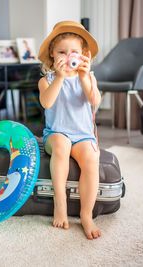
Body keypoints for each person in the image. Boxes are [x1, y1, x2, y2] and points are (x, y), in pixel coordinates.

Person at [37, 21, 102, 240]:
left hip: (82, 135)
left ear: (83, 55)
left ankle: (86, 214)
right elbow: (46, 103)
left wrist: (85, 77)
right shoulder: (46, 81)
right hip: (56, 134)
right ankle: (60, 202)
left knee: (92, 157)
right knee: (61, 144)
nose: (67, 57)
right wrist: (61, 77)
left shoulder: (87, 77)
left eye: (73, 52)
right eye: (62, 52)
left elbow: (95, 101)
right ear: (53, 56)